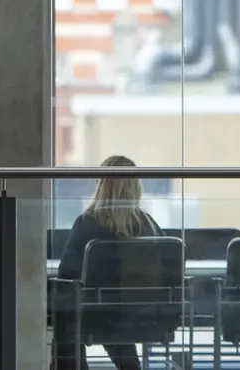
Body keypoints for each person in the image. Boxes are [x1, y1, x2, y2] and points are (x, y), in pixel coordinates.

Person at [52, 155, 161, 370]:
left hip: (100, 314)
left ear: (101, 184)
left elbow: (67, 273)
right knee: (116, 318)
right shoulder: (148, 224)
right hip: (146, 314)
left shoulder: (88, 222)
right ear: (135, 186)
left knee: (65, 317)